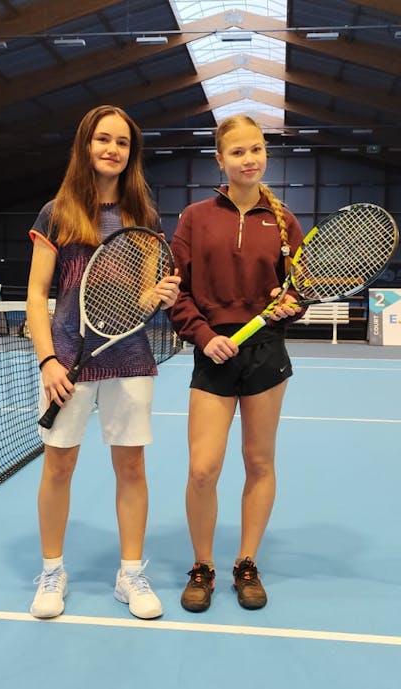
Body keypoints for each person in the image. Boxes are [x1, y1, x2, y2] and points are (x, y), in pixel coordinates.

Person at [25, 105, 181, 620]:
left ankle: (130, 573)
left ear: (131, 153)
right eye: (103, 139)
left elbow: (139, 299)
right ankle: (52, 571)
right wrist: (48, 360)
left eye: (122, 142)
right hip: (65, 361)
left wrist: (158, 295)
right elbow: (37, 295)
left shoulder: (143, 217)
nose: (112, 149)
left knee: (131, 467)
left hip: (129, 358)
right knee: (58, 466)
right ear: (85, 145)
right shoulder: (57, 213)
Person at [168, 114, 305, 612]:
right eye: (238, 152)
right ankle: (202, 566)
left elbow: (299, 291)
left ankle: (246, 563)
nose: (250, 159)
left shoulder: (285, 221)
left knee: (258, 461)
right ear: (220, 160)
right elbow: (176, 291)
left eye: (257, 149)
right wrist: (204, 337)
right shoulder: (195, 217)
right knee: (203, 468)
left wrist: (291, 305)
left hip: (266, 352)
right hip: (213, 352)